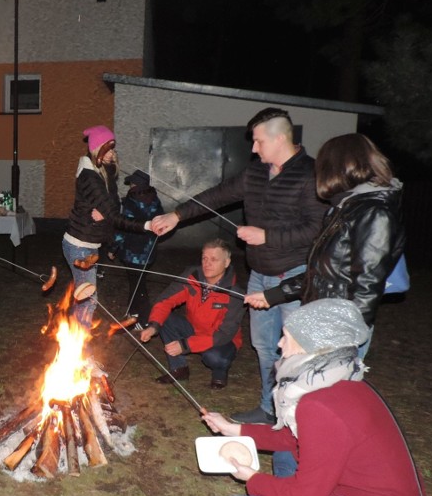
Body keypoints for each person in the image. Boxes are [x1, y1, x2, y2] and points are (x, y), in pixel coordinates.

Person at [201, 298, 432, 496]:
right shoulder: (344, 383)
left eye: (286, 337)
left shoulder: (319, 406)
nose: (279, 345)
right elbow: (292, 439)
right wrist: (233, 428)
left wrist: (252, 478)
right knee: (287, 455)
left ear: (308, 344)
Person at [158, 108, 327, 424]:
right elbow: (217, 195)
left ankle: (298, 414)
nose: (253, 148)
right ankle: (268, 408)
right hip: (259, 275)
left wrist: (268, 235)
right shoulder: (256, 173)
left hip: (293, 275)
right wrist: (177, 215)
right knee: (263, 348)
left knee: (296, 350)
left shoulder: (310, 174)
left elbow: (318, 228)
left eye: (259, 141)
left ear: (279, 138)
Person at [245, 133, 405, 358]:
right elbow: (322, 273)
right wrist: (273, 295)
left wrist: (335, 337)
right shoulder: (344, 208)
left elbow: (367, 288)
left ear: (339, 166)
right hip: (321, 317)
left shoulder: (374, 213)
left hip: (337, 328)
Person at [63, 125, 169, 325]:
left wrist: (109, 168)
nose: (113, 152)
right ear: (98, 149)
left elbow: (111, 205)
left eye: (113, 148)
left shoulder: (101, 172)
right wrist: (146, 226)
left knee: (84, 296)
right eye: (108, 148)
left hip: (89, 244)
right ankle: (78, 349)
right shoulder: (90, 177)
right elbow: (114, 215)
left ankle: (72, 340)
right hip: (79, 245)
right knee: (88, 300)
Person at [139, 239, 244, 389]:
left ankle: (220, 373)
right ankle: (179, 369)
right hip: (194, 329)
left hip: (221, 340)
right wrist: (153, 326)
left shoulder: (235, 293)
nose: (207, 264)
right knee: (164, 317)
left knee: (214, 358)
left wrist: (186, 345)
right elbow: (165, 300)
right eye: (204, 258)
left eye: (214, 259)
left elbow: (224, 334)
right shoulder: (192, 277)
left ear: (226, 262)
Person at [107, 169, 165, 324]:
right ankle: (132, 312)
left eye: (131, 182)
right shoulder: (155, 201)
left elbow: (122, 227)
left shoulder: (129, 202)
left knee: (138, 285)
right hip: (149, 252)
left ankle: (145, 319)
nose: (130, 185)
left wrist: (113, 248)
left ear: (136, 184)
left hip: (132, 252)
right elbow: (162, 224)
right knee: (137, 282)